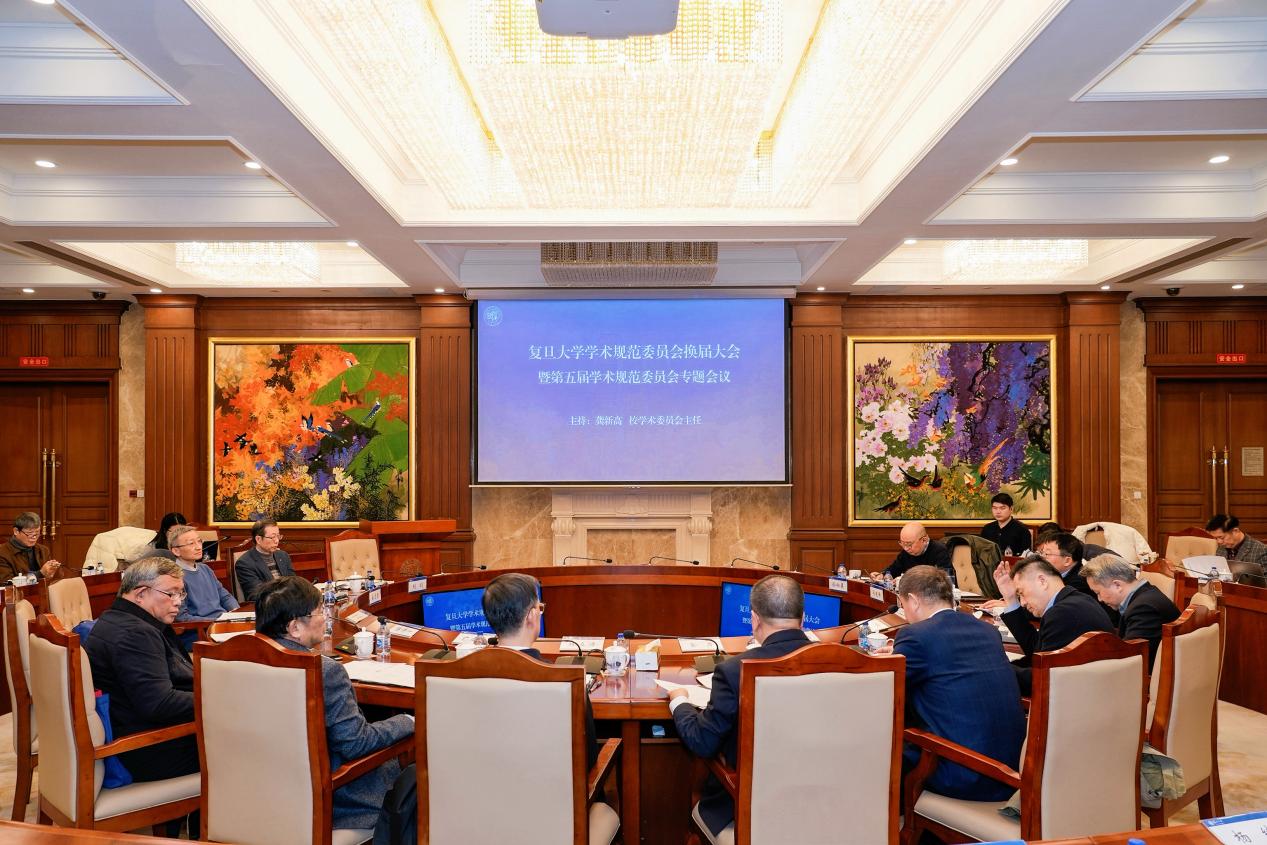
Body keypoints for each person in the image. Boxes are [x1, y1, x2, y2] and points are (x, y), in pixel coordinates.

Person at [255, 577, 414, 832]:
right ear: (294, 627)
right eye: (319, 612)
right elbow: (356, 744)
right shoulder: (324, 671)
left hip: (266, 796)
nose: (326, 618)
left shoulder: (241, 663)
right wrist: (407, 721)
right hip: (338, 803)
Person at [667, 574, 811, 838]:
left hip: (747, 812)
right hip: (826, 804)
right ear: (802, 619)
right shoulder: (845, 664)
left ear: (754, 620)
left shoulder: (735, 671)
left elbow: (702, 742)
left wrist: (679, 701)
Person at [874, 566, 1024, 801]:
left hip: (964, 773)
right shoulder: (986, 630)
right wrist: (899, 654)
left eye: (902, 605)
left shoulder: (915, 635)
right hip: (1010, 769)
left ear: (913, 600)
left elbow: (883, 690)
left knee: (878, 749)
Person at [82, 557, 199, 780]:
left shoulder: (114, 618)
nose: (178, 602)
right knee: (251, 740)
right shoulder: (136, 634)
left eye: (181, 594)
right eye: (171, 594)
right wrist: (218, 698)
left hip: (144, 733)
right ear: (141, 593)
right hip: (151, 749)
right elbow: (159, 704)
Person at [481, 572, 598, 770]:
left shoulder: (457, 677)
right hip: (551, 787)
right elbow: (587, 759)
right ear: (531, 616)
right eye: (539, 608)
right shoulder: (567, 681)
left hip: (482, 784)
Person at [996, 554, 1116, 695]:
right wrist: (1010, 599)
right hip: (1092, 691)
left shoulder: (1062, 612)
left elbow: (1043, 681)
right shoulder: (1077, 601)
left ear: (1042, 581)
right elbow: (1038, 652)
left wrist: (996, 669)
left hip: (1080, 697)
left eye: (1021, 593)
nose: (1022, 602)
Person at [1082, 554, 1179, 669]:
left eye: (1098, 592)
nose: (1100, 599)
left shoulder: (1143, 609)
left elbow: (1129, 659)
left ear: (1117, 585)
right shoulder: (1145, 594)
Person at [167, 524, 239, 621]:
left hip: (224, 620)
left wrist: (235, 612)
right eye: (191, 543)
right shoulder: (173, 576)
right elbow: (182, 617)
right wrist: (216, 621)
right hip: (203, 626)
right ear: (176, 551)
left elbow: (225, 596)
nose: (198, 547)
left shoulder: (205, 568)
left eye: (199, 541)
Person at [234, 518, 296, 602]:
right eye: (272, 537)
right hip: (269, 606)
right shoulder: (245, 563)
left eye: (278, 536)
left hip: (290, 601)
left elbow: (293, 583)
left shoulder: (283, 555)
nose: (277, 541)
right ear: (258, 539)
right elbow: (256, 595)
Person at [872, 521, 953, 581]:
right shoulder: (906, 552)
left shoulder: (939, 551)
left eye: (909, 544)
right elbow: (894, 569)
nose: (906, 548)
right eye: (902, 544)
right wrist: (882, 575)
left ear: (924, 540)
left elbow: (946, 581)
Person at [0, 512, 67, 584]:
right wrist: (40, 573)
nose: (34, 538)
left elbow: (50, 579)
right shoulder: (2, 553)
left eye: (37, 533)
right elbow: (6, 583)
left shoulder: (43, 550)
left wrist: (53, 571)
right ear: (16, 531)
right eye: (30, 533)